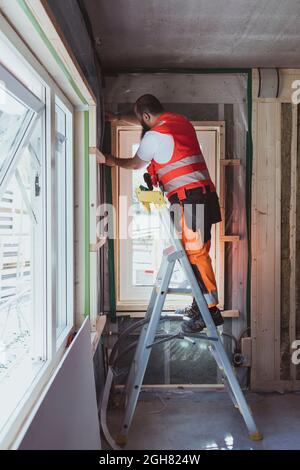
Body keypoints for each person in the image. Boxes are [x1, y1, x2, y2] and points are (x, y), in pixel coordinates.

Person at [105, 94, 223, 333]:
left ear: (147, 117)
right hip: (203, 198)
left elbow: (136, 163)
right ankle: (200, 304)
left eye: (142, 121)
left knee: (196, 255)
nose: (142, 125)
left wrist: (109, 159)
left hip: (191, 201)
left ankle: (210, 310)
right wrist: (118, 117)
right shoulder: (180, 122)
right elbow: (146, 122)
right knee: (196, 254)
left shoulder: (154, 135)